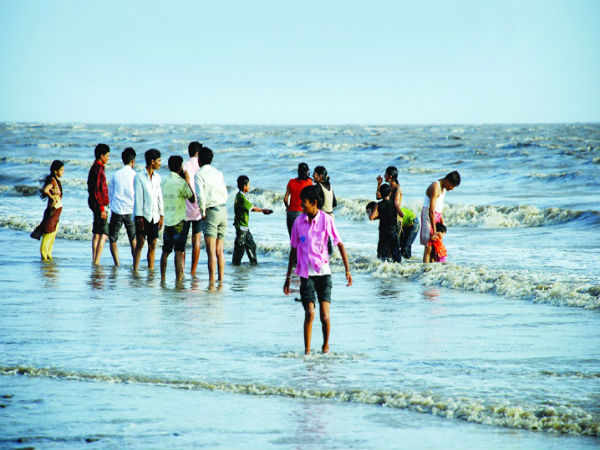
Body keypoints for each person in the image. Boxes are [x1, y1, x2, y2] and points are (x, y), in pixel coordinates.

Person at [283, 185, 352, 355]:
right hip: (306, 275)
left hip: (324, 274)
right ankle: (307, 352)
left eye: (304, 203)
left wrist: (347, 271)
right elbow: (293, 249)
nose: (301, 206)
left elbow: (340, 244)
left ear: (314, 203)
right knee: (310, 313)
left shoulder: (326, 220)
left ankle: (325, 348)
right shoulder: (298, 222)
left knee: (324, 317)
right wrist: (288, 276)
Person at [195, 146, 228, 284]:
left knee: (211, 251)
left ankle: (212, 282)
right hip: (223, 210)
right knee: (220, 250)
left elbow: (200, 196)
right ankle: (221, 281)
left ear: (199, 160)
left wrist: (202, 212)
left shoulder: (199, 174)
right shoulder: (218, 173)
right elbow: (225, 191)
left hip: (211, 211)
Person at [160, 155, 195, 281]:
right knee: (179, 251)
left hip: (167, 221)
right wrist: (187, 181)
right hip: (179, 221)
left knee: (165, 250)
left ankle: (163, 278)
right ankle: (178, 278)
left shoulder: (163, 181)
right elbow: (192, 199)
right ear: (180, 167)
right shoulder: (181, 183)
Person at [133, 149, 164, 271]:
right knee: (140, 243)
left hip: (155, 216)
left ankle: (150, 271)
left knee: (152, 245)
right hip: (143, 216)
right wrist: (139, 217)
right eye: (159, 161)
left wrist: (162, 215)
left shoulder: (158, 178)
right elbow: (138, 198)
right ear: (152, 162)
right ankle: (135, 269)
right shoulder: (139, 177)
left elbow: (159, 197)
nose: (160, 163)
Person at [232, 175, 273, 266]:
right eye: (248, 185)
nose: (249, 187)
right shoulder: (241, 198)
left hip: (244, 227)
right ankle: (236, 265)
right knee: (240, 248)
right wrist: (263, 210)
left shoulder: (241, 196)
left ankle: (253, 263)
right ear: (244, 186)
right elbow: (252, 208)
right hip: (241, 227)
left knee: (251, 245)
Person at [421, 171, 461, 263]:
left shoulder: (443, 189)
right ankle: (425, 270)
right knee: (428, 247)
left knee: (435, 247)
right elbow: (431, 210)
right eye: (452, 186)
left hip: (437, 216)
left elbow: (439, 207)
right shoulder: (435, 186)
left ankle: (432, 270)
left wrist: (441, 222)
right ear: (448, 180)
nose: (452, 188)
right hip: (428, 216)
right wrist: (434, 230)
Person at [108, 147, 137, 266]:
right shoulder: (135, 175)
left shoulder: (116, 174)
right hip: (131, 210)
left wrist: (111, 206)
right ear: (133, 161)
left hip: (117, 210)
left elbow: (111, 193)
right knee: (133, 238)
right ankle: (135, 262)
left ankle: (117, 263)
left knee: (113, 239)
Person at [31, 160, 64, 260]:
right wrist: (52, 197)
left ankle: (49, 255)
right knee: (48, 234)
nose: (63, 172)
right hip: (52, 211)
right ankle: (44, 256)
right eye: (61, 170)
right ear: (55, 170)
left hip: (57, 211)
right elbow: (45, 190)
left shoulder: (56, 180)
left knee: (52, 235)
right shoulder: (53, 180)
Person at [87, 143, 110, 265]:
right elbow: (97, 189)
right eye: (107, 155)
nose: (108, 158)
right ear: (102, 156)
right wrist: (102, 208)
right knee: (104, 233)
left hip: (95, 203)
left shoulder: (94, 167)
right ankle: (96, 261)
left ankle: (94, 259)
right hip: (99, 204)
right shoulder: (99, 169)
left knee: (96, 233)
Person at [183, 141, 203, 275]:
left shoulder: (184, 165)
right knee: (196, 240)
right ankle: (193, 271)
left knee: (182, 241)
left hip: (184, 208)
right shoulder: (202, 166)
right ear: (198, 153)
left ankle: (182, 269)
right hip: (198, 209)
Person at [368, 184, 402, 263]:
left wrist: (371, 213)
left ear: (381, 194)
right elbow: (401, 214)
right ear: (390, 193)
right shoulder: (394, 203)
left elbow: (371, 218)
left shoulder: (378, 204)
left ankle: (384, 268)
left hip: (383, 231)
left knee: (383, 254)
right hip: (393, 230)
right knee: (395, 252)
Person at [283, 162, 312, 236]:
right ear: (306, 172)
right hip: (301, 213)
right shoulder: (309, 182)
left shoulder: (291, 182)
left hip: (290, 213)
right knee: (302, 239)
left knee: (293, 240)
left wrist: (288, 207)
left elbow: (285, 199)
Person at [313, 166, 337, 255]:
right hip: (331, 217)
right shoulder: (330, 186)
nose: (312, 176)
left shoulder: (317, 187)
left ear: (320, 176)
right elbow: (334, 203)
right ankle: (329, 256)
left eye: (314, 174)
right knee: (327, 240)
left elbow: (318, 203)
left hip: (322, 217)